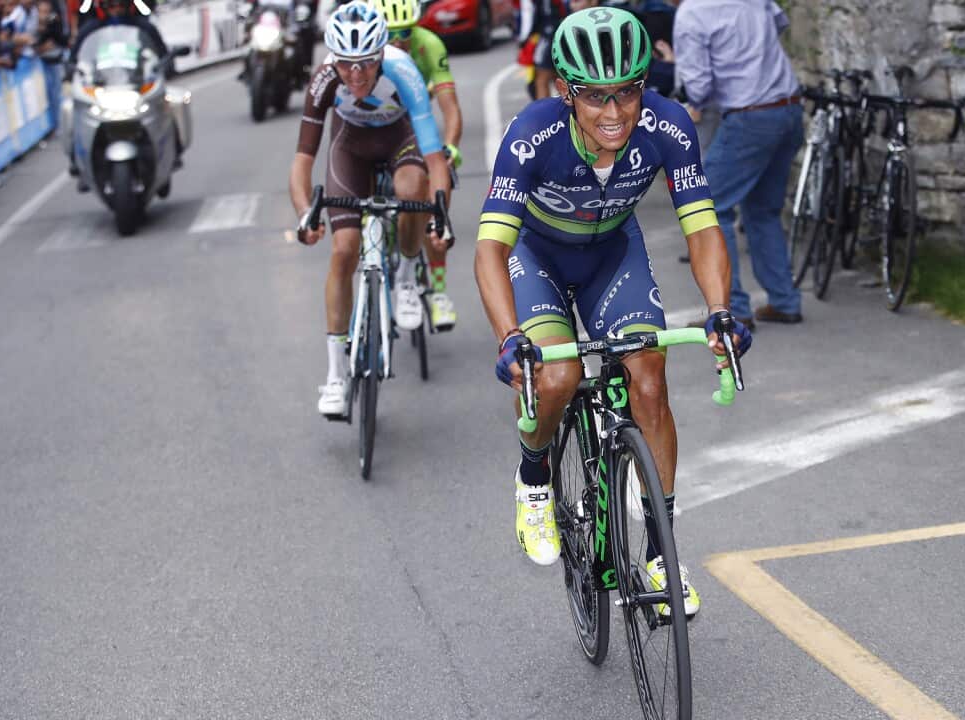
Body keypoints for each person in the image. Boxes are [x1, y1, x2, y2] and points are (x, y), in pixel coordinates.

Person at [475, 7, 750, 615]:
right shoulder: (532, 134)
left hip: (612, 256)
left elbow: (701, 229)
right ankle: (535, 478)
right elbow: (491, 248)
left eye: (628, 91)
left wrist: (719, 310)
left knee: (648, 377)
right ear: (565, 92)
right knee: (558, 376)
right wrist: (508, 336)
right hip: (537, 258)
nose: (614, 112)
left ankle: (660, 555)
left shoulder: (668, 125)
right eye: (595, 96)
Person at [288, 1, 452, 417]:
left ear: (381, 55)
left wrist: (441, 216)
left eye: (365, 64)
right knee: (343, 251)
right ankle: (335, 374)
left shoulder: (404, 72)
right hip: (351, 146)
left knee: (412, 186)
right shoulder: (325, 79)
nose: (356, 75)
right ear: (334, 61)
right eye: (347, 65)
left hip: (401, 138)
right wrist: (305, 213)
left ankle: (405, 279)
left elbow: (435, 162)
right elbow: (302, 162)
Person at [674, 0, 803, 327]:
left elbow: (698, 86)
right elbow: (779, 25)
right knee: (763, 211)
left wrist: (691, 103)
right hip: (788, 109)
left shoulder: (692, 14)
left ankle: (732, 311)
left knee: (708, 207)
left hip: (749, 116)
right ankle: (784, 300)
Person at [372, 0, 460, 331]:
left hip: (417, 131)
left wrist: (451, 145)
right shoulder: (369, 56)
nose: (397, 42)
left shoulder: (429, 45)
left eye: (405, 33)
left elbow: (450, 108)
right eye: (388, 35)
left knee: (432, 206)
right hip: (378, 130)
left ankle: (437, 289)